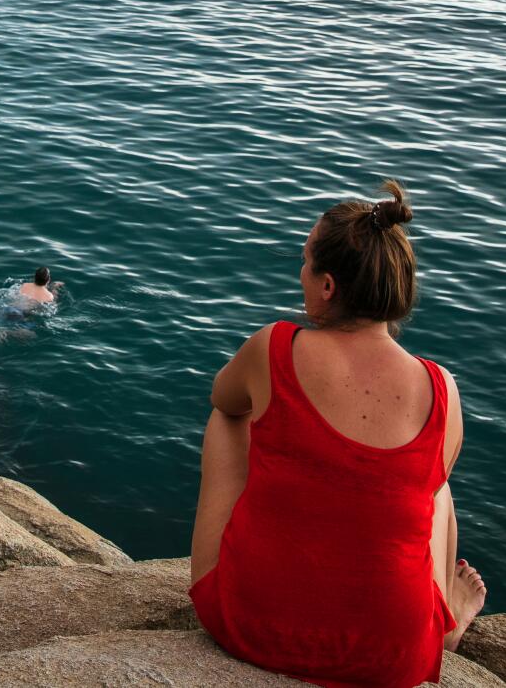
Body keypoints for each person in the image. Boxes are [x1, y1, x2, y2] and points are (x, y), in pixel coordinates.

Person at [187, 181, 484, 688]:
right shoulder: (442, 389)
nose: (299, 273)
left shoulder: (273, 347)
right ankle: (442, 619)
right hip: (395, 659)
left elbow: (222, 399)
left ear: (327, 286)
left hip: (250, 628)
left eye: (304, 261)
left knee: (229, 418)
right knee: (432, 482)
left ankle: (254, 575)